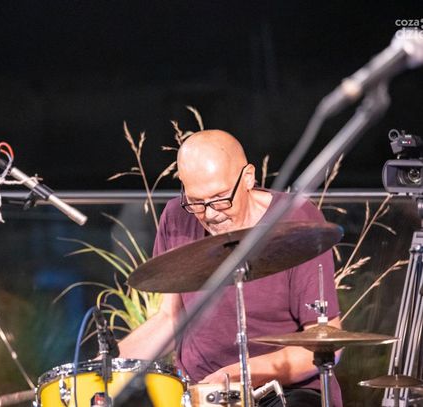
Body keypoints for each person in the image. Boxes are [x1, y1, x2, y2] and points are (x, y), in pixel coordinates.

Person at [118, 129, 342, 406]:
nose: (210, 214)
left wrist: (236, 375)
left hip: (284, 391)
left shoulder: (296, 219)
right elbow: (171, 318)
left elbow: (326, 343)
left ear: (248, 177)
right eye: (196, 202)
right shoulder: (176, 218)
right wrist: (101, 370)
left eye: (221, 198)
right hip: (201, 392)